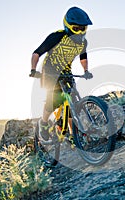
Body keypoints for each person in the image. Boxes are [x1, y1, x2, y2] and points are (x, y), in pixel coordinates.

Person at [29, 6, 93, 141]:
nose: (80, 32)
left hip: (66, 72)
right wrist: (33, 70)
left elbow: (83, 58)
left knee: (71, 102)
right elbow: (37, 53)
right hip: (50, 72)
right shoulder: (57, 37)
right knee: (54, 100)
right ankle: (44, 123)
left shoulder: (83, 43)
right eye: (76, 28)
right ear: (67, 26)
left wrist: (86, 71)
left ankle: (72, 136)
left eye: (83, 28)